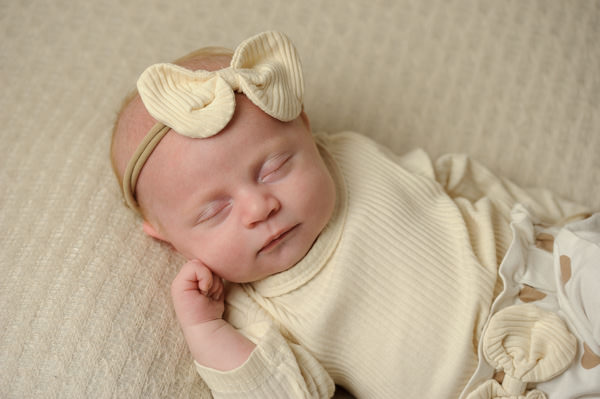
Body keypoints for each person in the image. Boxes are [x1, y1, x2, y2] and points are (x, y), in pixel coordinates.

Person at [110, 31, 599, 398]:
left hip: (558, 272)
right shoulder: (247, 305)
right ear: (167, 237)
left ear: (305, 130)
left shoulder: (347, 155)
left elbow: (461, 177)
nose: (260, 207)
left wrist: (570, 219)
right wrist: (206, 332)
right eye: (216, 211)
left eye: (275, 166)